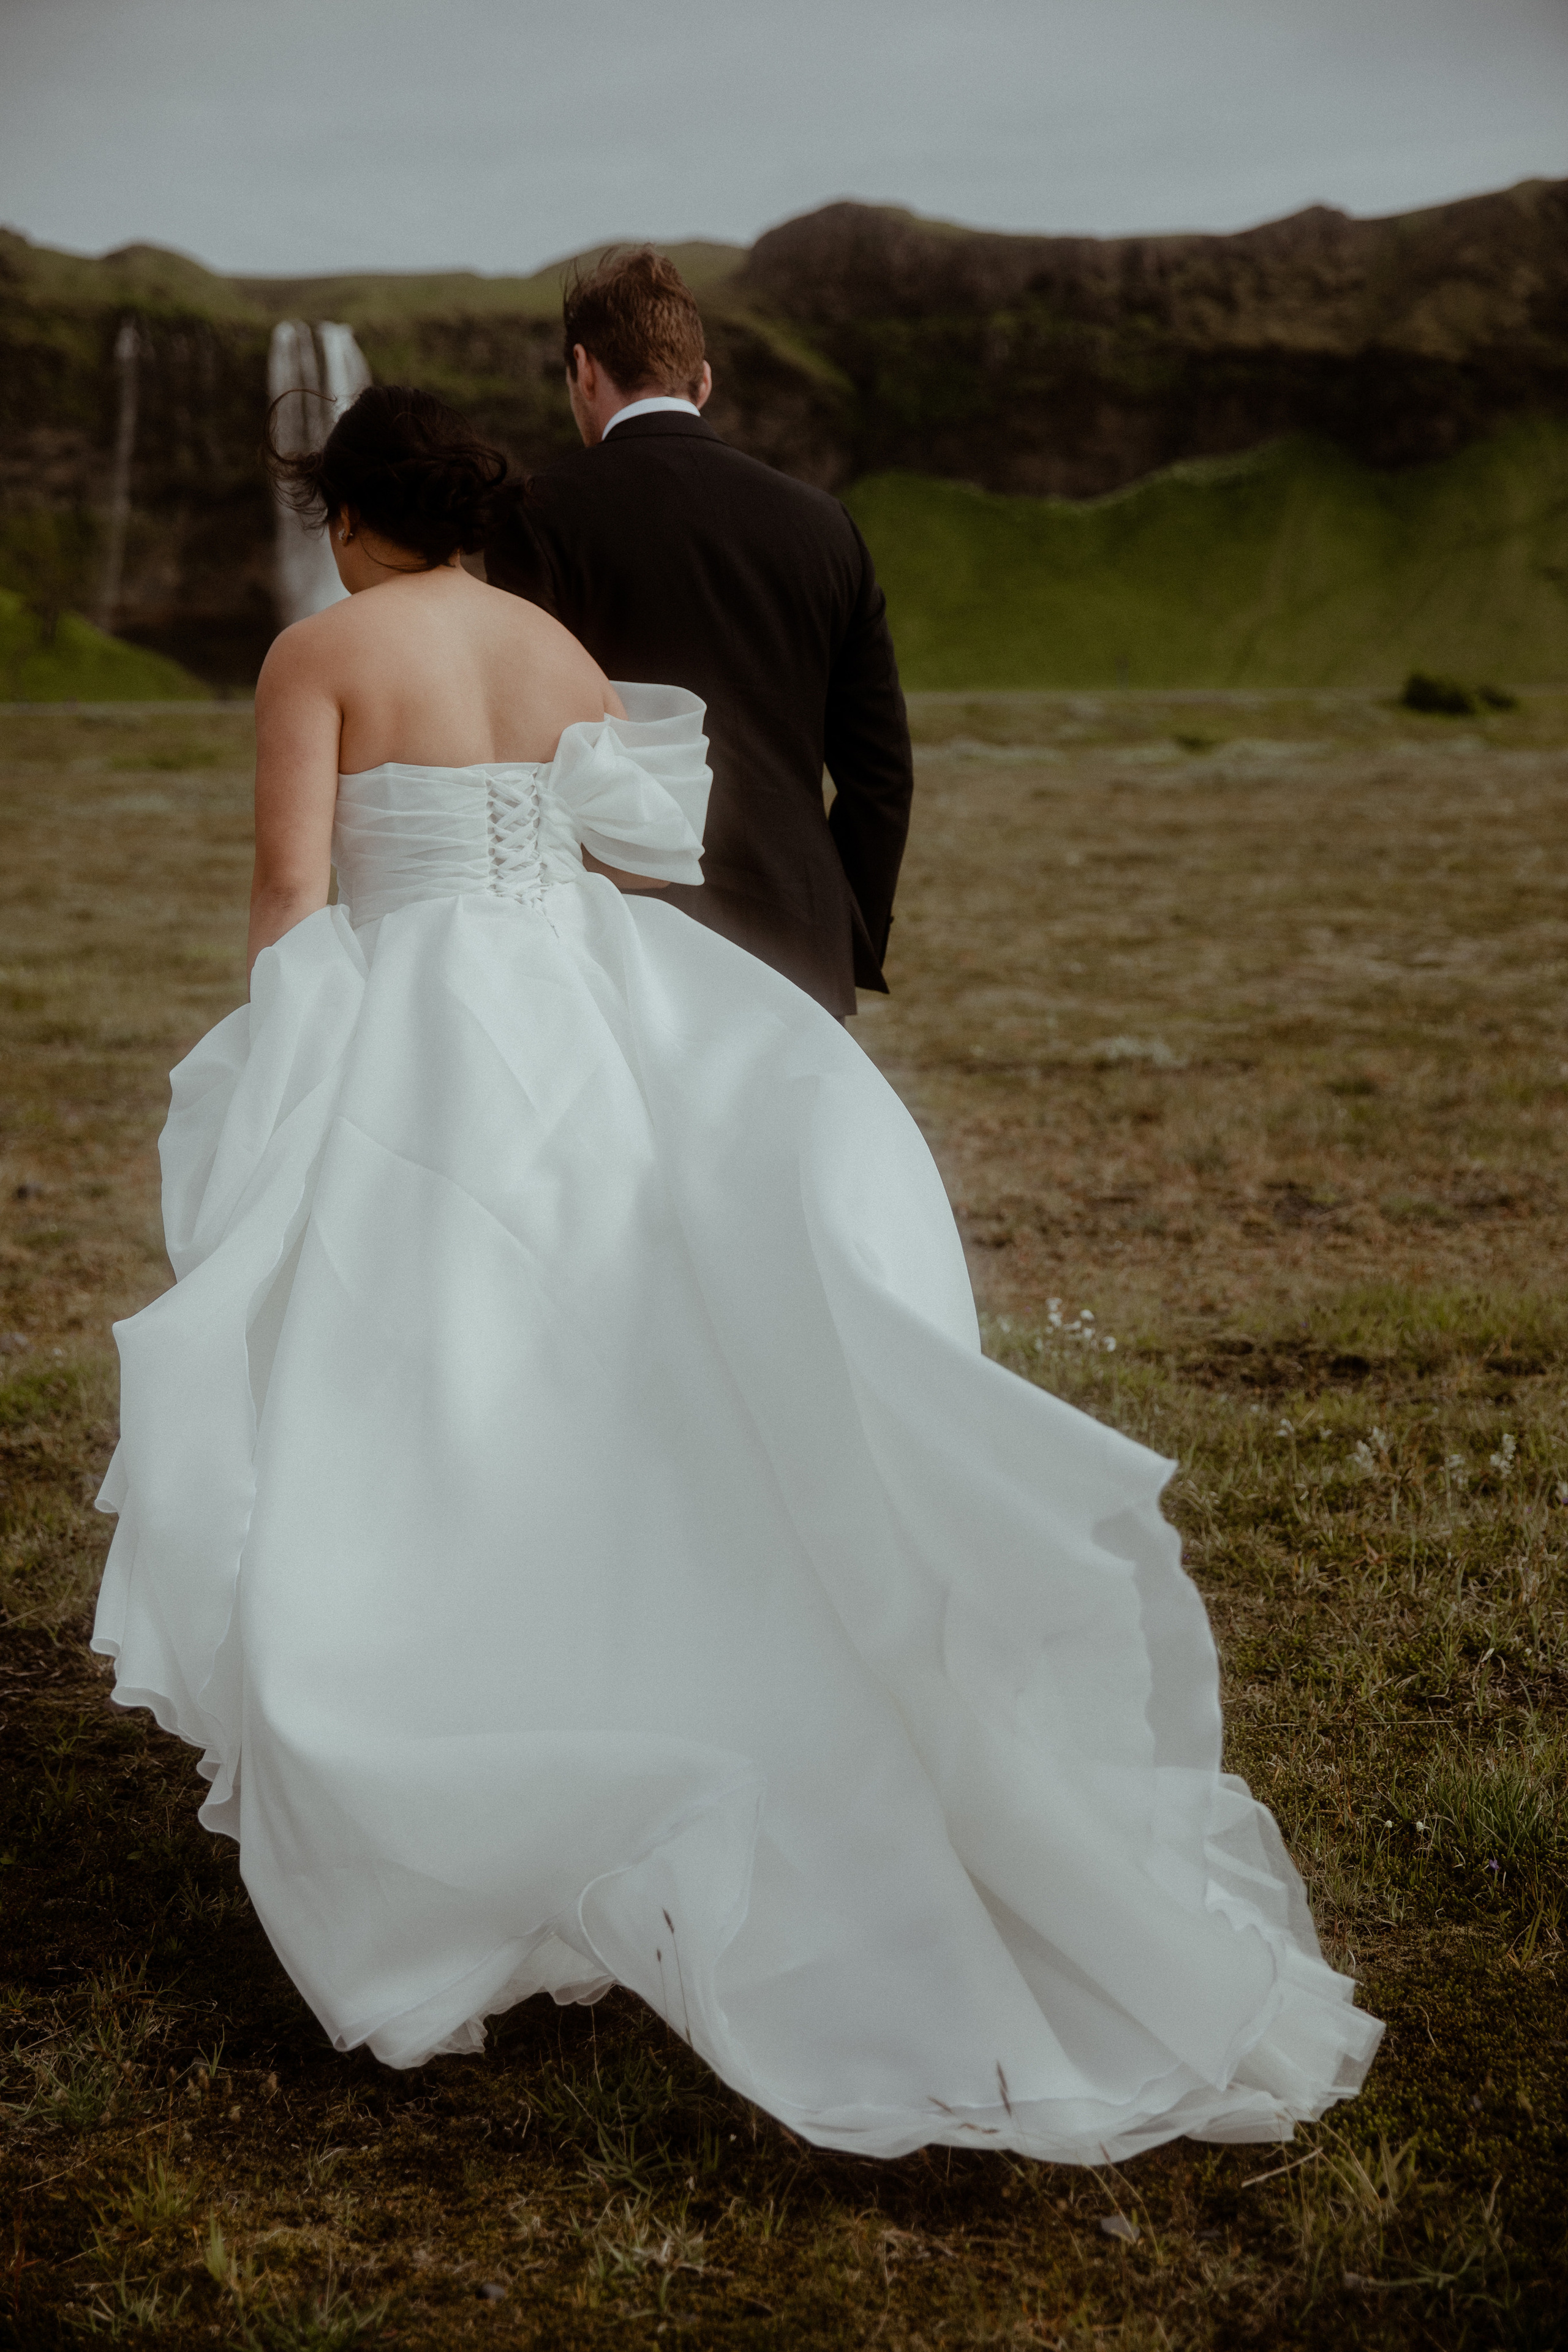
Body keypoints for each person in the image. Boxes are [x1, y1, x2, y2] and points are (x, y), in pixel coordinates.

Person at [93, 383, 1380, 2163]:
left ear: (344, 514)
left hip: (412, 1035)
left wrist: (270, 1088)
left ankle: (458, 1741)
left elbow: (288, 891)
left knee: (416, 1381)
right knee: (627, 1358)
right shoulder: (551, 639)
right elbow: (630, 848)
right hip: (582, 1010)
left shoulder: (320, 648)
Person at [484, 247, 913, 1019]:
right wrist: (841, 937)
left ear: (583, 370)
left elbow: (521, 752)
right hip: (799, 940)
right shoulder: (823, 524)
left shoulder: (537, 514)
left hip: (614, 943)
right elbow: (880, 777)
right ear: (702, 380)